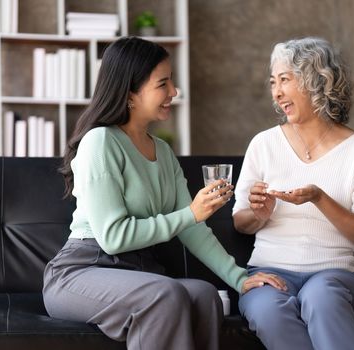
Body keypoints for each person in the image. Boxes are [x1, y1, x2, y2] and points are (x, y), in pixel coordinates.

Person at [42, 37, 270, 350]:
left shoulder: (162, 151)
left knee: (204, 295)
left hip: (137, 271)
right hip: (82, 270)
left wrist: (240, 279)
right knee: (166, 293)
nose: (173, 92)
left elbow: (193, 229)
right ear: (130, 94)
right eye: (163, 83)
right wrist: (191, 211)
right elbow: (113, 237)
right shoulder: (101, 142)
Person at [232, 37, 354, 350]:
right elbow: (241, 221)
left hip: (336, 274)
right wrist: (258, 214)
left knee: (319, 297)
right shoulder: (263, 145)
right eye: (272, 82)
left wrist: (319, 198)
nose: (276, 92)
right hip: (269, 272)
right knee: (267, 310)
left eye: (285, 80)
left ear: (316, 82)